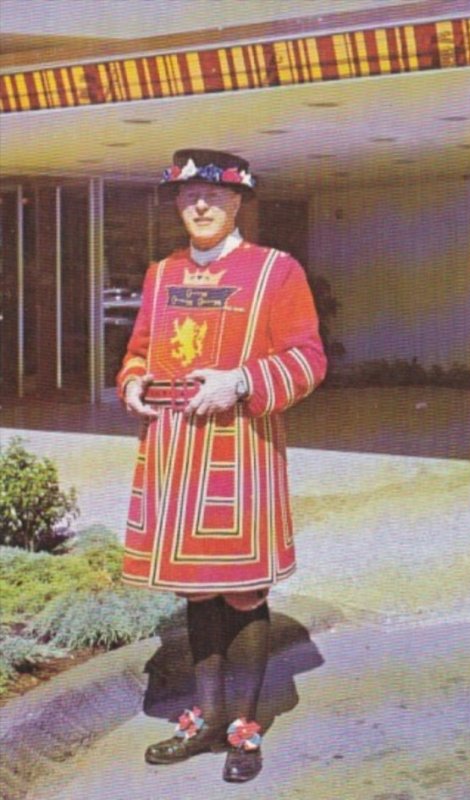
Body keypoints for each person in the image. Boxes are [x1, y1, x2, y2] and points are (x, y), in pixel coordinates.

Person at [117, 148, 327, 783]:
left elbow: (309, 358)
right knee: (197, 589)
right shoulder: (161, 273)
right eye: (187, 195)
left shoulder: (275, 271)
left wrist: (241, 380)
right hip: (174, 452)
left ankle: (243, 727)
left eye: (212, 194)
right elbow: (139, 351)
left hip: (242, 451)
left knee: (240, 590)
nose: (199, 205)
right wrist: (132, 382)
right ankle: (206, 719)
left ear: (239, 202)